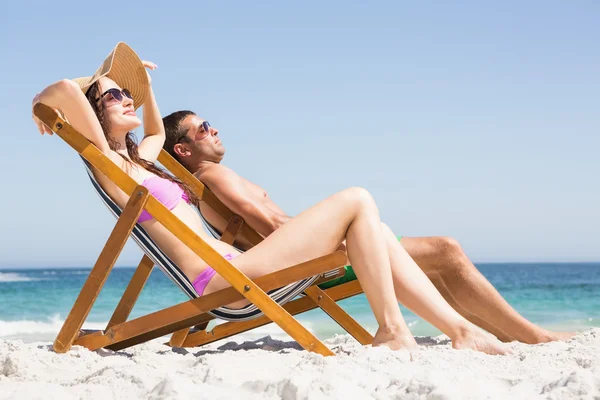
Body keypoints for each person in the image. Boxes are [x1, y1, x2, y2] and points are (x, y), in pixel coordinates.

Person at [32, 42, 509, 355]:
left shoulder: (140, 161)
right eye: (115, 97)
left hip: (239, 268)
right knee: (358, 198)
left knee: (378, 231)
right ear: (93, 114)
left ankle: (459, 331)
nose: (127, 99)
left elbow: (156, 130)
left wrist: (144, 84)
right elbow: (55, 90)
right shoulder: (107, 165)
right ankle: (395, 331)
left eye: (125, 94)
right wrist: (89, 80)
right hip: (225, 283)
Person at [161, 110, 574, 345]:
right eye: (203, 128)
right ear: (184, 149)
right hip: (316, 266)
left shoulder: (210, 180)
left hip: (304, 264)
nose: (213, 129)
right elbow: (273, 225)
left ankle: (493, 333)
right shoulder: (216, 176)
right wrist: (344, 234)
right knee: (445, 251)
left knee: (437, 254)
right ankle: (530, 335)